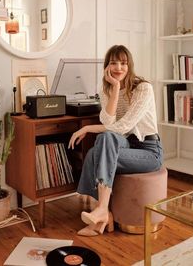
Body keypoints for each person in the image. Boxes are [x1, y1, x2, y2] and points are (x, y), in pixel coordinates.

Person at [68, 45, 163, 236]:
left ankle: (102, 212)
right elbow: (108, 122)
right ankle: (103, 211)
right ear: (107, 66)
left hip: (148, 150)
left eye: (123, 63)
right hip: (125, 144)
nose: (118, 67)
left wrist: (87, 128)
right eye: (113, 63)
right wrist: (115, 89)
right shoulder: (106, 91)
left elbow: (124, 126)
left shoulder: (143, 88)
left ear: (130, 66)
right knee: (106, 138)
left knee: (96, 152)